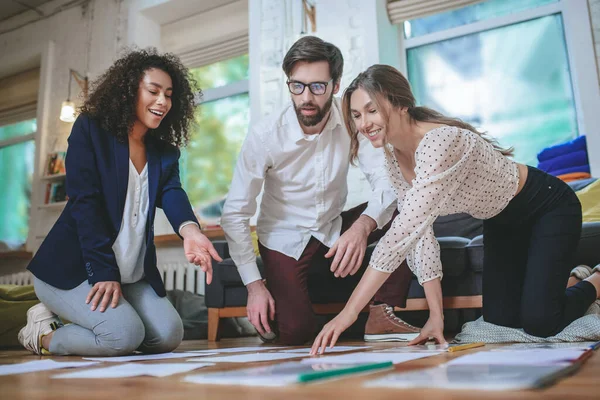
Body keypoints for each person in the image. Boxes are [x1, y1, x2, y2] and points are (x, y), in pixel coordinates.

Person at [311, 64, 600, 354]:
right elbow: (419, 237)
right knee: (502, 320)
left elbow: (399, 237)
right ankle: (567, 280)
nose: (363, 124)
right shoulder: (393, 159)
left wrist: (349, 313)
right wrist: (436, 317)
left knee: (541, 322)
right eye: (356, 115)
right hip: (501, 221)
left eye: (371, 111)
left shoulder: (439, 142)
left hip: (547, 207)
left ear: (399, 103)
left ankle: (594, 279)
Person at [18, 49, 222, 356]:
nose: (162, 102)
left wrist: (191, 231)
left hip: (130, 275)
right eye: (153, 91)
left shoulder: (164, 151)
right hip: (72, 270)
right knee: (122, 337)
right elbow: (85, 205)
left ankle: (102, 322)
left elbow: (172, 192)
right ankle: (43, 333)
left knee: (168, 335)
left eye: (168, 94)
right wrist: (103, 273)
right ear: (129, 91)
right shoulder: (90, 130)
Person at [220, 36, 418, 346]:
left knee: (412, 206)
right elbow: (235, 213)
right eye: (297, 86)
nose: (306, 97)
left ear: (336, 85)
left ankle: (379, 314)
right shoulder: (264, 136)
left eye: (317, 87)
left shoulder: (352, 122)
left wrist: (363, 227)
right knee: (295, 333)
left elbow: (387, 179)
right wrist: (254, 286)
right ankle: (335, 324)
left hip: (332, 228)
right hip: (284, 238)